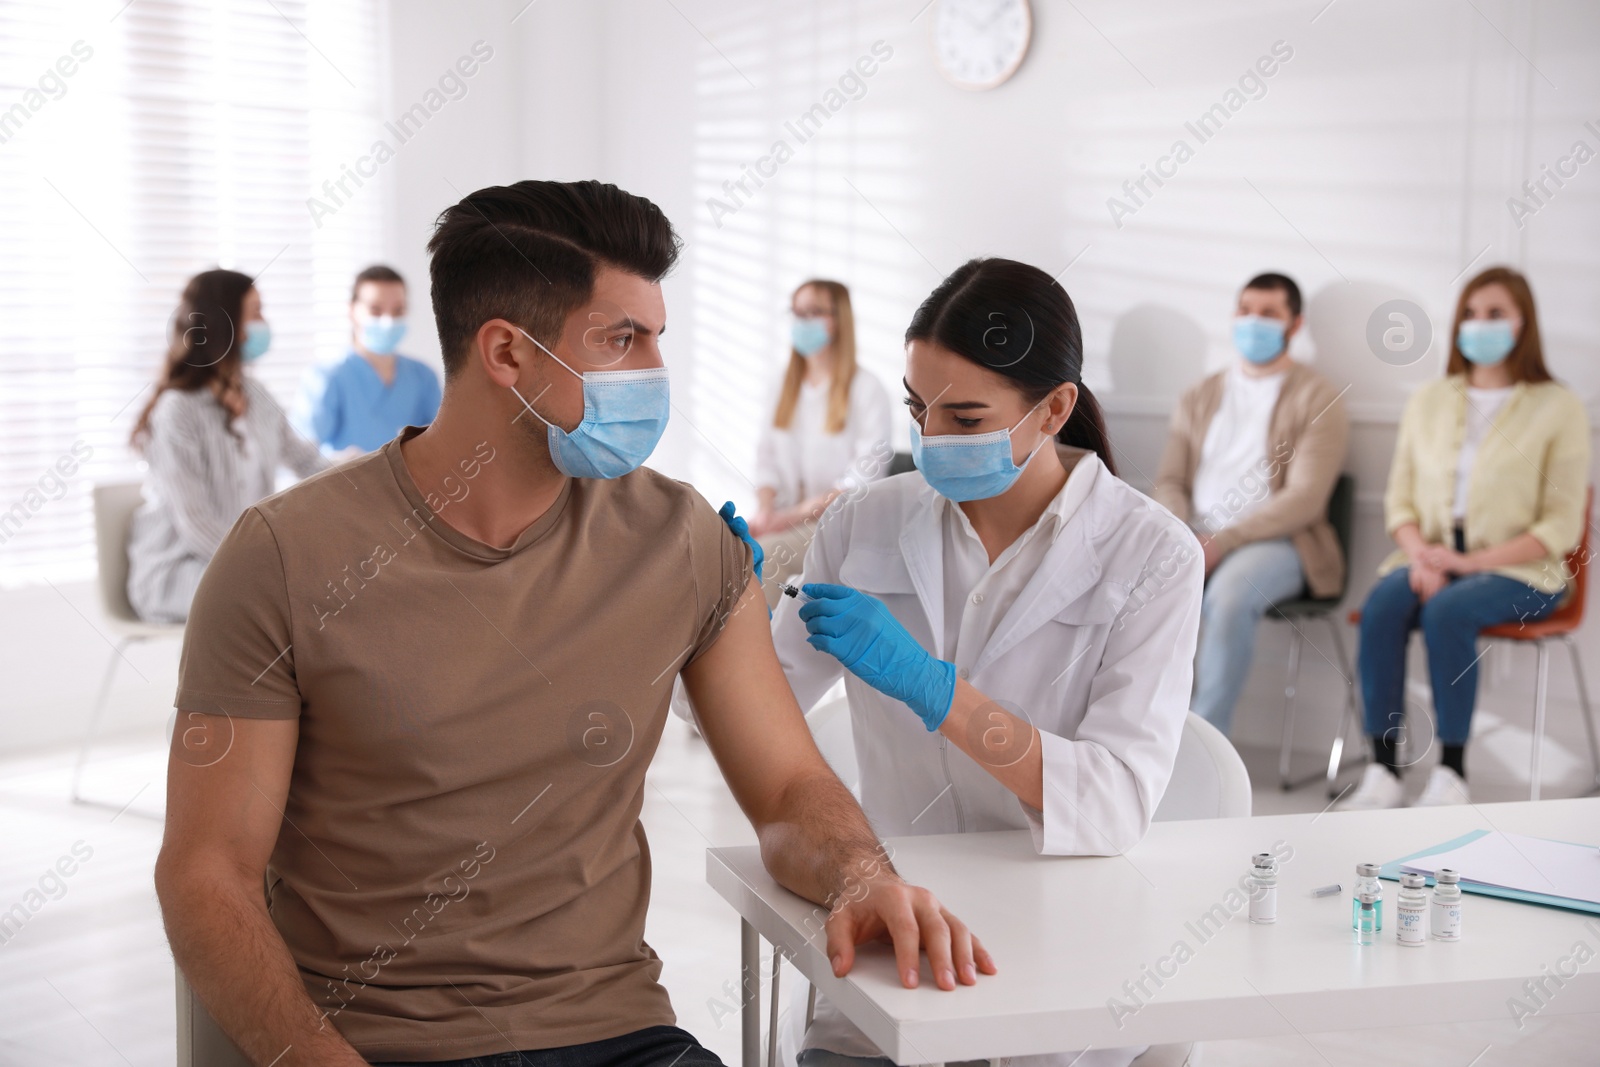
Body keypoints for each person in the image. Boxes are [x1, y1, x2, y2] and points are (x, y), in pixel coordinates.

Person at [153, 180, 995, 1067]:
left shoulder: (683, 544)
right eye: (621, 340)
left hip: (617, 1035)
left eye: (656, 338)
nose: (652, 372)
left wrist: (864, 873)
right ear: (508, 354)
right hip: (377, 1043)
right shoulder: (283, 558)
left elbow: (787, 790)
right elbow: (206, 873)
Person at [729, 257, 1204, 1067]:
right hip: (896, 924)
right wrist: (723, 612)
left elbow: (1117, 799)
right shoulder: (864, 525)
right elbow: (760, 704)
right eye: (920, 410)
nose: (931, 439)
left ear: (1054, 408)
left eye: (965, 415)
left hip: (1058, 934)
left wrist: (938, 692)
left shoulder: (1153, 554)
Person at [1340, 266, 1590, 810]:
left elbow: (1561, 525)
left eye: (1495, 313)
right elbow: (1399, 502)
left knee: (1448, 612)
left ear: (1524, 323)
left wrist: (1465, 563)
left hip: (1525, 570)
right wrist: (1425, 556)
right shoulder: (1429, 399)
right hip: (1431, 558)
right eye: (1470, 315)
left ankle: (1451, 773)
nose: (1480, 325)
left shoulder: (1559, 406)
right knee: (1383, 605)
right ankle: (1383, 768)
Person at [1153, 272, 1349, 737]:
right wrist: (1184, 535)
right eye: (1245, 310)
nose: (1252, 322)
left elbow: (1305, 499)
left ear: (1294, 325)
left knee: (1229, 598)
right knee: (1135, 593)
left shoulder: (1317, 397)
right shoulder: (1200, 395)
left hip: (1279, 542)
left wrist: (1222, 542)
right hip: (1195, 534)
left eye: (1268, 313)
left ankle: (1202, 744)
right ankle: (1143, 736)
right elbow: (1169, 479)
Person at [125, 269, 328, 623]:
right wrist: (266, 566)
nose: (265, 322)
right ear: (226, 324)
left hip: (240, 564)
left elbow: (306, 462)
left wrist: (368, 476)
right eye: (256, 311)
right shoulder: (178, 410)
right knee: (289, 601)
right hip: (179, 571)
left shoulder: (257, 397)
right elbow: (197, 523)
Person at [749, 279, 892, 610]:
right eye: (797, 312)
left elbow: (859, 482)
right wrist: (766, 510)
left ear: (839, 319)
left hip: (840, 527)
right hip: (785, 517)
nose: (803, 321)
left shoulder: (867, 390)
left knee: (766, 556)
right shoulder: (783, 385)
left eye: (814, 312)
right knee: (729, 547)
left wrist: (789, 517)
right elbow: (765, 458)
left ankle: (757, 657)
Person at [300, 264, 442, 453]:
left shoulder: (423, 376)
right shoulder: (326, 377)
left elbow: (441, 443)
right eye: (375, 310)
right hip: (346, 482)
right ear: (352, 311)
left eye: (398, 310)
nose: (388, 321)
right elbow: (301, 456)